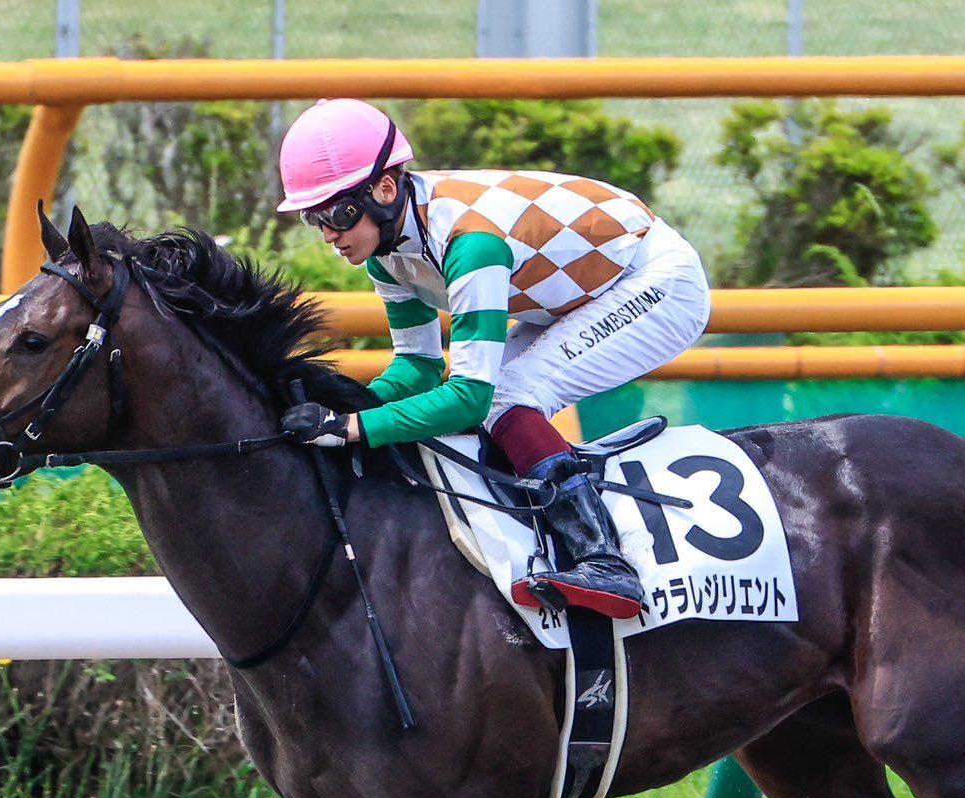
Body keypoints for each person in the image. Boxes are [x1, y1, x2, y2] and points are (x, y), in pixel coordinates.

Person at [275, 98, 711, 619]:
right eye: (312, 217)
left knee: (505, 396)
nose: (328, 234)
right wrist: (341, 407)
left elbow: (468, 396)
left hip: (656, 281)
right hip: (583, 293)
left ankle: (604, 559)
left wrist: (352, 427)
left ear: (385, 190)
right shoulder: (389, 254)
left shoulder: (469, 242)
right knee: (499, 400)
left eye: (337, 213)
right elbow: (419, 368)